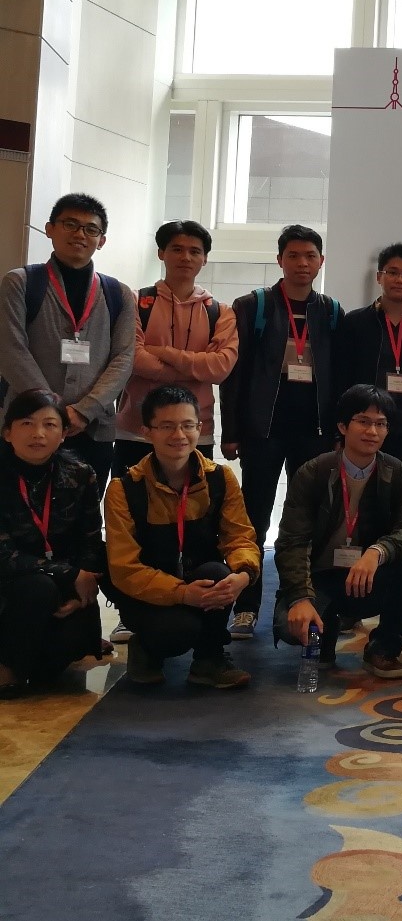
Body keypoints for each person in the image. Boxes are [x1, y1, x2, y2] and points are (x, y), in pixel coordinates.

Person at [219, 224, 343, 639]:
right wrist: (231, 430)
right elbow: (234, 376)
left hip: (316, 432)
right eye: (294, 256)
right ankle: (246, 605)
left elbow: (339, 377)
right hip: (263, 431)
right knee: (253, 518)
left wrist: (340, 432)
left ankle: (303, 600)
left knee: (310, 518)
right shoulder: (253, 305)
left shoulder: (330, 311)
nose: (302, 263)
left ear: (321, 262)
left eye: (310, 256)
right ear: (280, 260)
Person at [104, 385, 259, 689]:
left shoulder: (221, 478)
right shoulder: (124, 488)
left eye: (188, 425)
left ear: (200, 428)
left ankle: (209, 660)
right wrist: (183, 593)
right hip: (147, 592)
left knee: (219, 573)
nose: (179, 435)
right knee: (177, 631)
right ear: (146, 431)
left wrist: (243, 574)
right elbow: (124, 569)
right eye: (167, 426)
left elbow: (240, 537)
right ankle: (146, 650)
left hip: (199, 577)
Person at [273, 385, 402, 679]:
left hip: (367, 576)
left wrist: (378, 551)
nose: (372, 430)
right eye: (363, 421)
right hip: (319, 576)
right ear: (343, 426)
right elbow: (291, 542)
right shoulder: (313, 472)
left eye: (381, 424)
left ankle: (384, 647)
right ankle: (326, 629)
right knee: (291, 628)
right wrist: (300, 598)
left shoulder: (400, 474)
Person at [0, 194, 135, 485]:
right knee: (19, 515)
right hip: (29, 426)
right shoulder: (20, 283)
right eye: (70, 224)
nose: (80, 234)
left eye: (91, 229)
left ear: (102, 240)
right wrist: (53, 414)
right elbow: (10, 350)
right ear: (50, 229)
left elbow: (124, 359)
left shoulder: (119, 293)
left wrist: (83, 411)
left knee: (83, 517)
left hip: (93, 428)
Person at [0, 389, 107, 696]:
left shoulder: (80, 473)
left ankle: (28, 657)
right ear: (7, 432)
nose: (38, 433)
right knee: (37, 588)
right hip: (11, 584)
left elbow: (90, 538)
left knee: (60, 657)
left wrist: (82, 584)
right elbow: (3, 555)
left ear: (63, 434)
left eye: (50, 424)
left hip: (59, 581)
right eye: (27, 424)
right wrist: (70, 575)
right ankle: (8, 668)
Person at [114, 220, 236, 474]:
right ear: (161, 253)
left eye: (195, 251)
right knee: (130, 508)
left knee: (192, 509)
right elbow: (133, 358)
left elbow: (220, 368)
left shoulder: (220, 312)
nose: (186, 257)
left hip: (194, 432)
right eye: (177, 249)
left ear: (204, 259)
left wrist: (162, 353)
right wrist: (194, 370)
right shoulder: (135, 301)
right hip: (137, 429)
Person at [332, 242, 402, 478]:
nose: (399, 280)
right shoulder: (354, 324)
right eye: (392, 272)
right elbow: (341, 380)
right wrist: (339, 434)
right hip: (363, 430)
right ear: (379, 277)